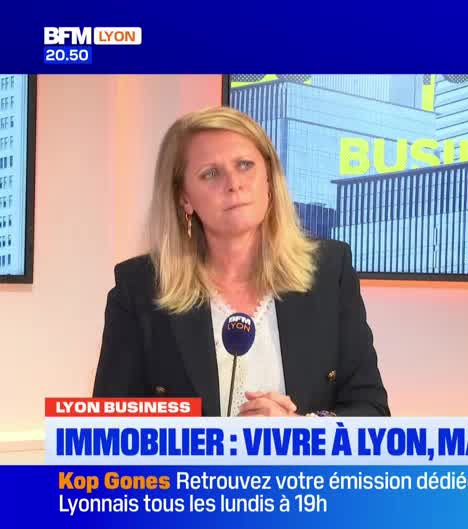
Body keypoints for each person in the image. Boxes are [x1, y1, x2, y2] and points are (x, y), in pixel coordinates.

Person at [93, 106, 389, 417]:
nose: (234, 184)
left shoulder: (330, 271)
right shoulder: (141, 288)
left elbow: (372, 412)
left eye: (245, 165)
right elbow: (109, 428)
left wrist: (302, 429)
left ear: (269, 180)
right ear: (185, 198)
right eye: (211, 173)